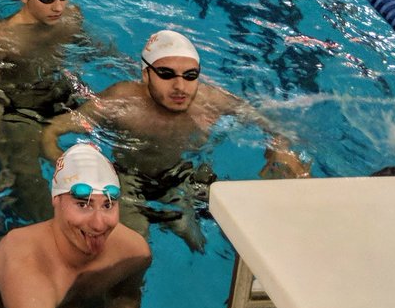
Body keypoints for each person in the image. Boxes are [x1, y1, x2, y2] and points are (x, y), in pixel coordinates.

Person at [41, 29, 309, 245]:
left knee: (202, 242)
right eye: (166, 74)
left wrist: (281, 147)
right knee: (135, 245)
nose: (180, 86)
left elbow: (267, 121)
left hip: (181, 175)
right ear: (146, 75)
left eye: (190, 76)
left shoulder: (209, 100)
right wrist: (66, 168)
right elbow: (53, 129)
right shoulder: (121, 101)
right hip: (128, 180)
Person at [0, 143, 151, 308]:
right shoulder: (25, 272)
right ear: (56, 199)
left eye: (108, 205)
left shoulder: (133, 253)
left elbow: (125, 302)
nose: (99, 224)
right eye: (83, 204)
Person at [0, 0, 89, 222]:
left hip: (60, 91)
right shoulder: (1, 36)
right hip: (20, 108)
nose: (58, 7)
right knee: (31, 178)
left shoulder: (72, 18)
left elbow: (90, 49)